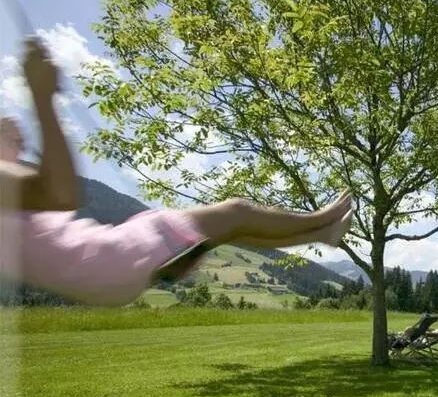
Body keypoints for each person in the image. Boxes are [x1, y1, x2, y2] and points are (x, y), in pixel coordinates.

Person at [0, 38, 353, 306]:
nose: (16, 137)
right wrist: (43, 98)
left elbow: (36, 192)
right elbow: (61, 194)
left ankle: (321, 234)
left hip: (108, 261)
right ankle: (321, 219)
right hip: (111, 258)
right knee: (236, 212)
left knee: (233, 227)